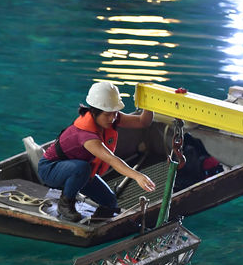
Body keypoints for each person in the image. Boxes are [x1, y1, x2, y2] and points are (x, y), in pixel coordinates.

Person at [39, 81, 157, 222]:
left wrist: (149, 104)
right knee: (83, 167)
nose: (112, 118)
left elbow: (143, 122)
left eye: (115, 113)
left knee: (110, 203)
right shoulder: (86, 135)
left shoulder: (109, 117)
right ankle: (65, 204)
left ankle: (98, 225)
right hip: (50, 170)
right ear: (94, 111)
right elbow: (111, 159)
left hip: (80, 171)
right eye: (108, 114)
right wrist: (137, 176)